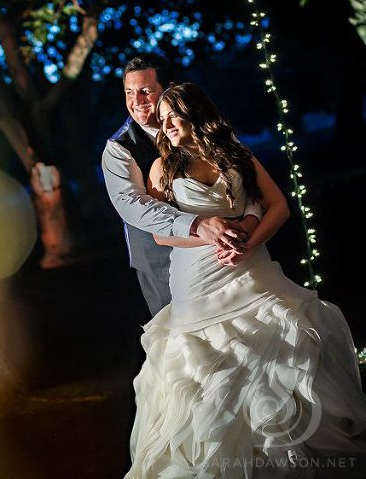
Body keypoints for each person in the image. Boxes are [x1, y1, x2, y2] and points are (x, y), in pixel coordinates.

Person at [126, 82, 366, 477]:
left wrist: (248, 243)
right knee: (209, 372)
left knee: (285, 343)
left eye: (174, 115)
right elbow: (161, 234)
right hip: (197, 280)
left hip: (251, 267)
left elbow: (279, 206)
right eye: (162, 118)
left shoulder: (236, 155)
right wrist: (211, 234)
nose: (165, 125)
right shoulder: (162, 168)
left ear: (196, 114)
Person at [102, 54, 263, 317]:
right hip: (160, 259)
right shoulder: (119, 148)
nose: (136, 101)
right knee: (182, 333)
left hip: (235, 249)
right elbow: (132, 205)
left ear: (169, 88)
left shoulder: (210, 131)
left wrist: (249, 221)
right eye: (129, 92)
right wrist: (198, 225)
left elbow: (245, 180)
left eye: (145, 91)